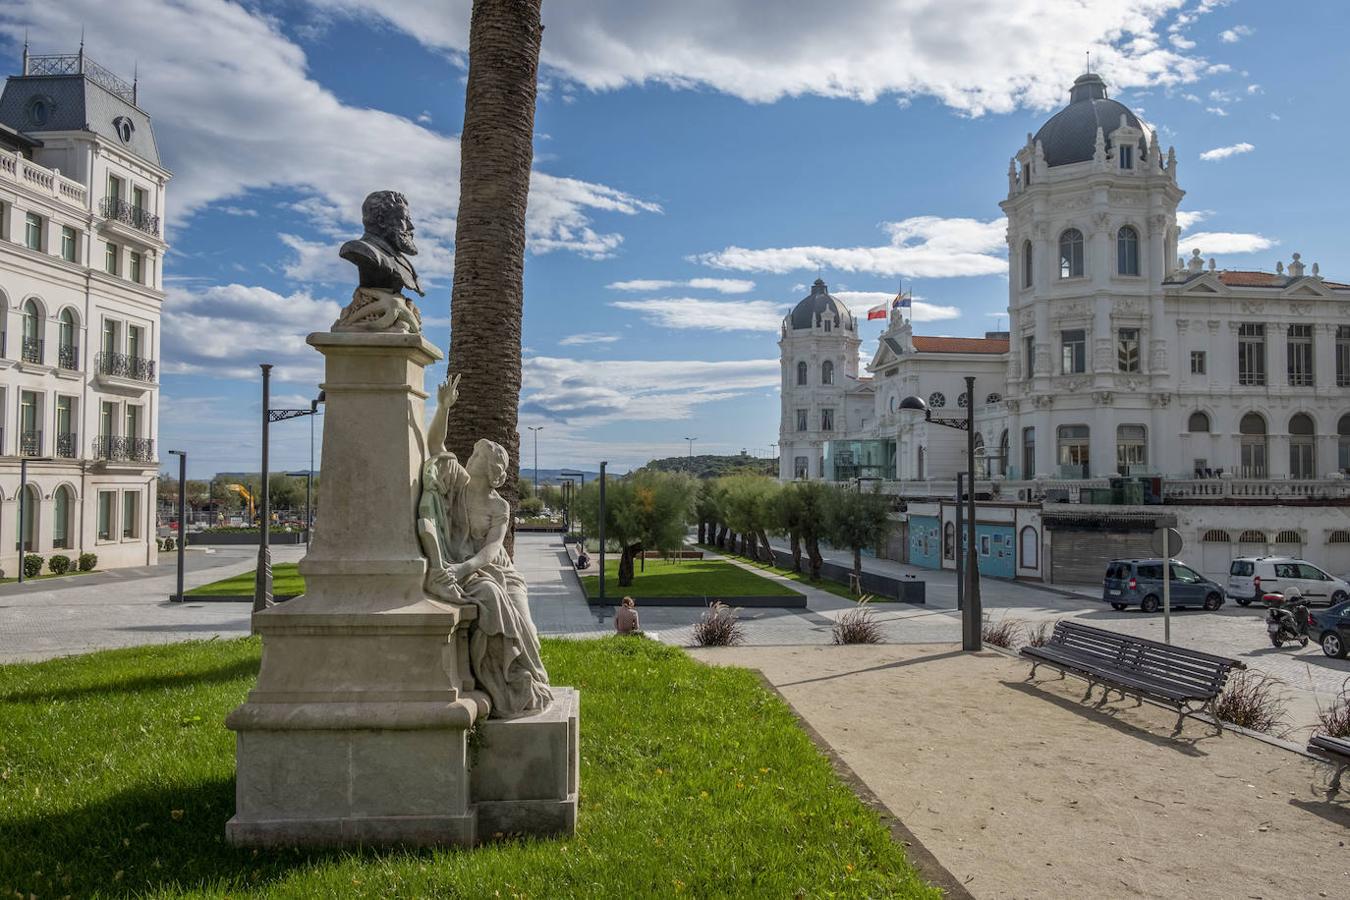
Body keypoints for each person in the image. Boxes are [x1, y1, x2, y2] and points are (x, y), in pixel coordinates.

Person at [417, 377, 552, 719]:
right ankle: (503, 681)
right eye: (475, 453)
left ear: (492, 470)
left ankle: (529, 680)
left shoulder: (499, 507)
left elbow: (493, 550)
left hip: (497, 570)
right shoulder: (458, 484)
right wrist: (443, 407)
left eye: (479, 455)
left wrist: (462, 569)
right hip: (472, 572)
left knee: (528, 629)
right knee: (490, 597)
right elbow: (436, 443)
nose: (473, 456)